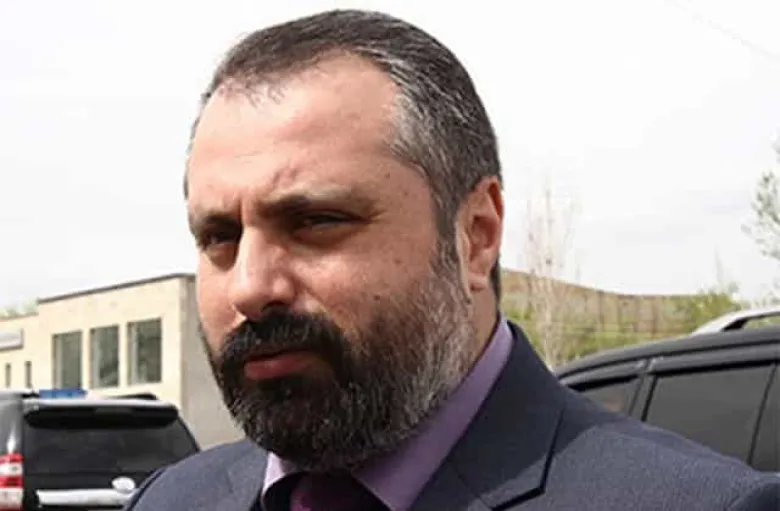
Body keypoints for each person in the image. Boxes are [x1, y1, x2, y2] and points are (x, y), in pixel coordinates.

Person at [124, 9, 780, 511]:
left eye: (316, 221)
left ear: (476, 234)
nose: (249, 286)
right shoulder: (171, 500)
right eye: (219, 237)